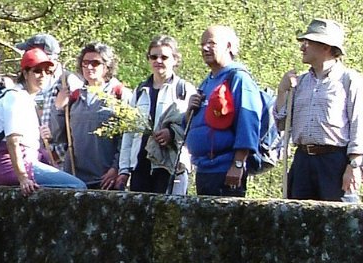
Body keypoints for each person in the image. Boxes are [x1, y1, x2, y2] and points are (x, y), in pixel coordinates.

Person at [275, 18, 363, 202]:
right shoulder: (299, 82)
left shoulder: (349, 80)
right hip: (303, 162)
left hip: (335, 162)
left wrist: (354, 165)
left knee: (339, 217)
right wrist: (282, 91)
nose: (302, 48)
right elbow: (283, 125)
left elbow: (359, 125)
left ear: (326, 47)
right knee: (297, 216)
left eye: (308, 42)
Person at [0, 56, 86, 192]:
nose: (43, 75)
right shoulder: (16, 97)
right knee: (77, 187)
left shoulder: (28, 99)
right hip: (12, 166)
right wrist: (23, 178)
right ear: (25, 73)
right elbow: (13, 141)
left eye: (48, 71)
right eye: (37, 71)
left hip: (24, 163)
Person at [185, 25, 262, 197]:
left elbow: (248, 122)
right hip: (204, 170)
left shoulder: (238, 78)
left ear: (228, 46)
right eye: (202, 44)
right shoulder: (206, 83)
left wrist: (238, 164)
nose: (205, 48)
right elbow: (195, 125)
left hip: (226, 171)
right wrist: (190, 111)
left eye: (211, 43)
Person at [118, 35, 193, 195]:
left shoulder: (184, 90)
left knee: (170, 210)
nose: (158, 61)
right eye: (153, 57)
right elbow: (129, 132)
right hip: (140, 165)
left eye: (164, 57)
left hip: (172, 166)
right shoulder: (140, 91)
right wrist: (124, 169)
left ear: (175, 59)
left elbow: (193, 127)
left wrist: (172, 134)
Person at [50, 42, 130, 189]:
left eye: (95, 63)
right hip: (75, 178)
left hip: (106, 180)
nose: (89, 67)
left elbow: (127, 138)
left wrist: (116, 168)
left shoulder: (119, 94)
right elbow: (57, 136)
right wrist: (58, 107)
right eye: (85, 63)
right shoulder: (74, 96)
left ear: (107, 66)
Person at [19, 33, 66, 163]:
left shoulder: (66, 83)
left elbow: (76, 128)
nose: (26, 55)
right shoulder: (28, 85)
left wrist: (55, 155)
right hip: (36, 156)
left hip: (63, 162)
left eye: (29, 52)